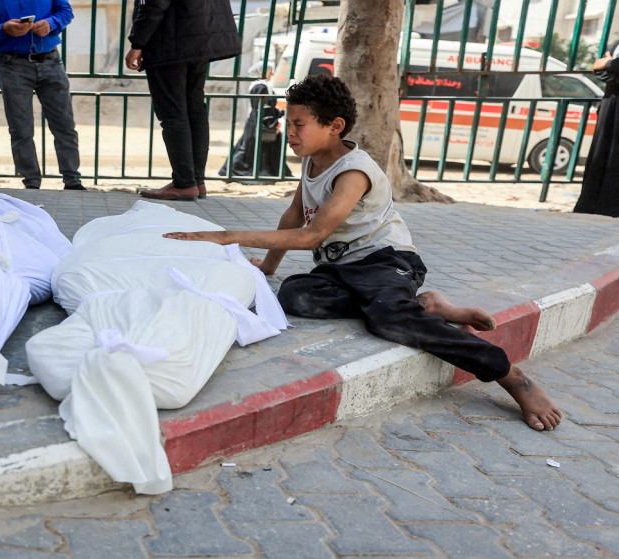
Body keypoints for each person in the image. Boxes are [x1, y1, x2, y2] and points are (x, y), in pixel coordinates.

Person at [164, 75, 562, 432]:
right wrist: (267, 267)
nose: (290, 131)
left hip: (385, 261)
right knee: (294, 295)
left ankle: (511, 376)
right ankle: (425, 305)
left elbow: (313, 234)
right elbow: (294, 215)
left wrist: (226, 236)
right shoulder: (313, 160)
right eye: (289, 122)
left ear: (334, 126)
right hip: (341, 268)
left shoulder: (353, 171)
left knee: (387, 318)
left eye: (299, 123)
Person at [125, 0, 240, 201]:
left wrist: (138, 43)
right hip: (199, 38)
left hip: (170, 42)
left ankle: (185, 183)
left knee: (173, 113)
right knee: (195, 109)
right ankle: (196, 181)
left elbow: (154, 4)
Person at [0, 0, 86, 191]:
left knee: (64, 125)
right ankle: (31, 183)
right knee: (21, 130)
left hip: (51, 62)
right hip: (12, 66)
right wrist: (3, 28)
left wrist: (51, 23)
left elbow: (65, 11)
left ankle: (72, 181)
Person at [218, 62, 292, 183]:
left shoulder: (260, 86)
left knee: (251, 147)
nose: (272, 74)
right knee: (253, 148)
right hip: (260, 123)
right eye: (270, 71)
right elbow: (263, 108)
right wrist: (271, 122)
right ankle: (240, 173)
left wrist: (278, 114)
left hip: (257, 122)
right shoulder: (261, 87)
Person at [573, 42, 619, 217]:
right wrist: (611, 68)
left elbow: (604, 65)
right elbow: (598, 69)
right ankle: (593, 205)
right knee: (601, 155)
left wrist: (609, 64)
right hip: (611, 103)